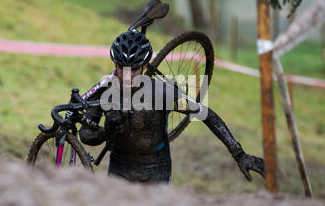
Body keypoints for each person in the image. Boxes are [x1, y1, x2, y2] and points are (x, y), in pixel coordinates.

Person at [79, 29, 265, 184]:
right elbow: (85, 135)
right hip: (119, 168)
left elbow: (204, 113)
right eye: (121, 67)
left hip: (156, 169)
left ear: (144, 65)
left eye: (134, 69)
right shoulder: (105, 90)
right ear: (114, 63)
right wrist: (106, 131)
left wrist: (239, 153)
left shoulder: (163, 94)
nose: (127, 75)